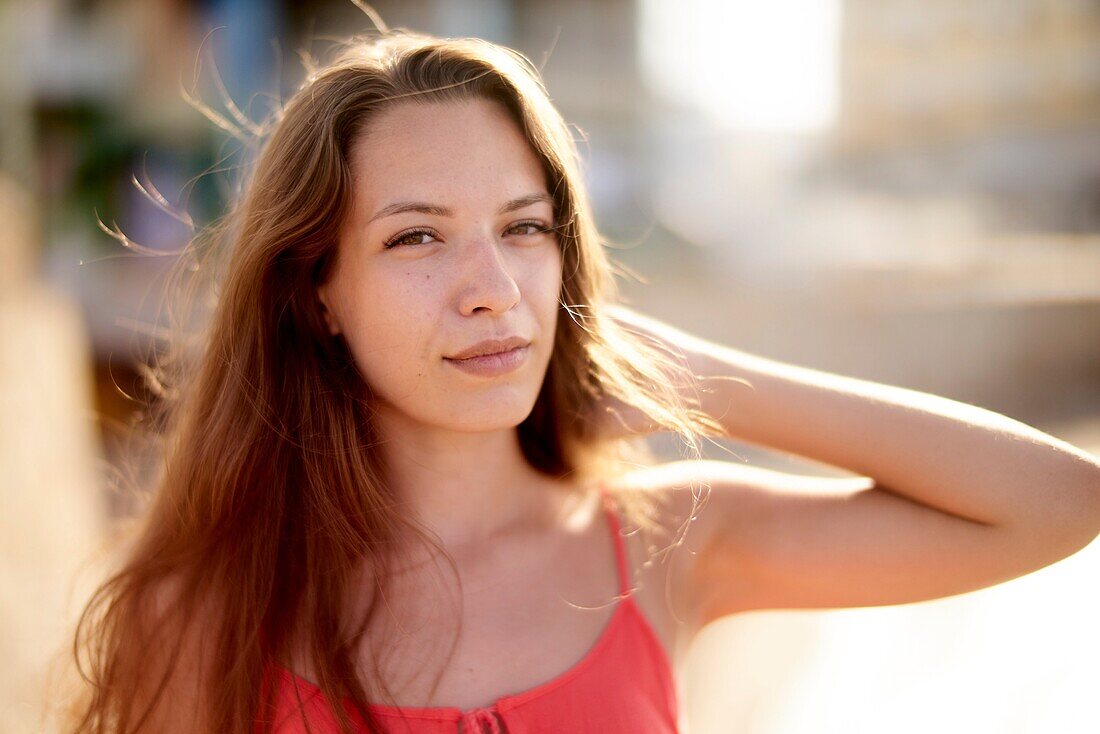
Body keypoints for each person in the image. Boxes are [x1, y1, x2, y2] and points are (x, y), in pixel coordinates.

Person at [61, 20, 1100, 734]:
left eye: (522, 229)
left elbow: (1055, 502)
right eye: (417, 236)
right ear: (316, 289)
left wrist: (699, 375)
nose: (491, 288)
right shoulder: (203, 608)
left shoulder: (662, 540)